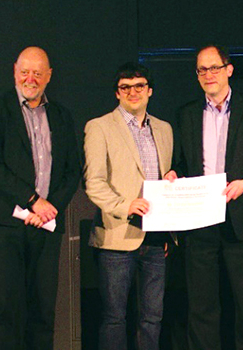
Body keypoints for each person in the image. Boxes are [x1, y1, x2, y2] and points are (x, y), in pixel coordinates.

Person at [164, 45, 243, 350]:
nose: (208, 75)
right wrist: (173, 174)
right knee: (201, 307)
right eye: (202, 69)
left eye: (214, 68)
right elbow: (182, 162)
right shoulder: (187, 113)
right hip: (200, 221)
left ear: (229, 70)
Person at [0, 46, 81, 349]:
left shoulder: (62, 116)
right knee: (4, 312)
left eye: (38, 72)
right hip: (5, 227)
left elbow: (72, 170)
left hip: (46, 228)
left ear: (49, 76)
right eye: (25, 71)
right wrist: (33, 200)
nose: (30, 78)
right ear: (14, 71)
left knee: (43, 313)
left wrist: (49, 209)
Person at [84, 62, 173, 349]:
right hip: (116, 236)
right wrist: (125, 205)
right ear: (117, 93)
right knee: (114, 318)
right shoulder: (99, 127)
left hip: (157, 237)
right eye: (125, 87)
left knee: (152, 318)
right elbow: (94, 183)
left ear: (150, 91)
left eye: (139, 86)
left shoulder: (164, 129)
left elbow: (163, 178)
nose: (133, 92)